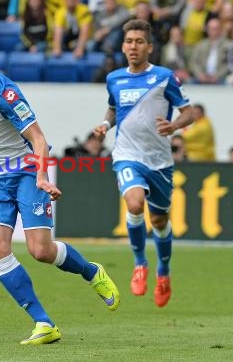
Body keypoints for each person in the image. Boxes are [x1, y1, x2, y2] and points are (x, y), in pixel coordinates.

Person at [0, 26, 119, 345]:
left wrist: (40, 176)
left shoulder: (4, 92)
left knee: (40, 250)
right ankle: (43, 322)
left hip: (25, 171)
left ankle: (92, 272)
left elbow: (38, 138)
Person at [94, 19, 194, 308]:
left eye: (139, 41)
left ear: (150, 46)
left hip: (160, 161)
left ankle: (163, 271)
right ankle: (140, 264)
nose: (133, 46)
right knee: (135, 204)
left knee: (160, 221)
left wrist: (174, 126)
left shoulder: (165, 77)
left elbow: (189, 114)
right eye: (129, 41)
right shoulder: (114, 78)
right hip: (127, 154)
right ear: (123, 46)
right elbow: (114, 109)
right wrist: (104, 124)